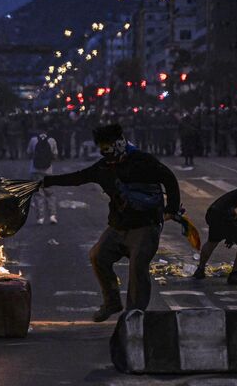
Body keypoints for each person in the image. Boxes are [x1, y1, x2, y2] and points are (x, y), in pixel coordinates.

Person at [42, 124, 181, 322]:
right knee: (98, 256)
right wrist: (47, 181)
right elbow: (79, 177)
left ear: (119, 142)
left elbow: (169, 178)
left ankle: (134, 315)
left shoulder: (143, 161)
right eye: (102, 147)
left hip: (144, 227)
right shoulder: (104, 166)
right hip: (118, 226)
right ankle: (112, 301)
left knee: (137, 268)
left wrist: (171, 210)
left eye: (108, 146)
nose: (105, 152)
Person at [27, 129, 58, 225]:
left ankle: (40, 218)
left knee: (38, 195)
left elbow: (28, 152)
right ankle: (52, 216)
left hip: (35, 170)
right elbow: (55, 155)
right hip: (48, 171)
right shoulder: (52, 140)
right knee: (50, 194)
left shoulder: (33, 140)